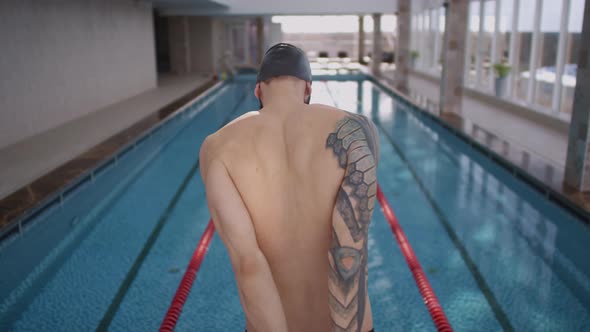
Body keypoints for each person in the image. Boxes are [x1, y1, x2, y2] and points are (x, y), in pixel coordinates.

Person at [199, 43, 379, 332]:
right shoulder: (356, 130)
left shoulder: (218, 146)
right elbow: (348, 252)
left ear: (258, 91)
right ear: (308, 88)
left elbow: (248, 265)